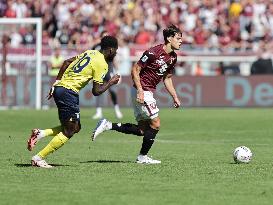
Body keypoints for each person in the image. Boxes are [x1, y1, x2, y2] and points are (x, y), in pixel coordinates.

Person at [92, 25, 183, 164]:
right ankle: (142, 157)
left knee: (142, 130)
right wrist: (140, 90)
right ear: (169, 39)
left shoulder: (173, 57)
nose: (181, 41)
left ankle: (108, 125)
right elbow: (135, 70)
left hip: (145, 91)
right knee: (156, 123)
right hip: (142, 90)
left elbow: (167, 78)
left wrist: (175, 96)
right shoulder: (153, 52)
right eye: (178, 38)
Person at [27, 36, 120, 168]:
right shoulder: (102, 64)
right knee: (70, 130)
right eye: (116, 50)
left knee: (75, 127)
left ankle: (40, 133)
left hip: (61, 88)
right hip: (68, 92)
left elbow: (66, 62)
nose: (116, 53)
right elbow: (96, 91)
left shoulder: (90, 53)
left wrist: (56, 83)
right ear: (111, 50)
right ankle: (38, 158)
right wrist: (110, 82)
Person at [92, 31, 123, 119]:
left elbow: (114, 60)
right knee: (98, 90)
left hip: (108, 70)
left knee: (112, 91)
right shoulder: (96, 46)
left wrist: (118, 71)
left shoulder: (111, 48)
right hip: (98, 71)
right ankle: (98, 112)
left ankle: (117, 109)